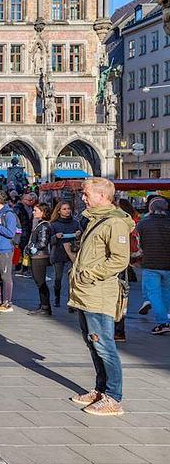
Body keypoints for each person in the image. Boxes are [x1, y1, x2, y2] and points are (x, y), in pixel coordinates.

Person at [68, 178, 133, 417]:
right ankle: (100, 389)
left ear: (102, 196)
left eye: (86, 194)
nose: (83, 198)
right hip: (87, 292)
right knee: (93, 342)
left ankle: (114, 397)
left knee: (104, 345)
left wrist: (87, 274)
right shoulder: (95, 219)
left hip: (99, 293)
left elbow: (119, 260)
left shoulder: (115, 222)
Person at [135, 197, 170, 334]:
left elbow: (139, 244)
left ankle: (162, 323)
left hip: (151, 263)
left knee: (154, 294)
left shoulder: (143, 223)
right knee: (166, 292)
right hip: (168, 264)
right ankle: (166, 318)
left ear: (151, 208)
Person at [25, 202, 53, 316]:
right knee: (39, 281)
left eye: (36, 210)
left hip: (40, 256)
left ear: (43, 212)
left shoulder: (44, 225)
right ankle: (44, 305)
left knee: (40, 282)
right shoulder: (41, 224)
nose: (33, 212)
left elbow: (42, 242)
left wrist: (32, 247)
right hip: (37, 256)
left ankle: (45, 307)